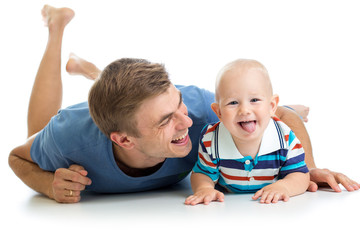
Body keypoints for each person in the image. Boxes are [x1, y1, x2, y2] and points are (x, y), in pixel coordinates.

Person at [8, 5, 359, 204]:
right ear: (123, 140)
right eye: (165, 121)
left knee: (138, 98)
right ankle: (56, 28)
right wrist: (46, 184)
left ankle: (93, 70)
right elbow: (16, 157)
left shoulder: (200, 110)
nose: (187, 123)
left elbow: (284, 117)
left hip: (141, 108)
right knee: (36, 130)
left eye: (177, 106)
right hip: (75, 124)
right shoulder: (70, 139)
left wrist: (308, 168)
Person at [185, 59, 310, 205]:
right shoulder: (210, 139)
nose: (244, 110)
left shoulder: (285, 137)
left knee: (287, 117)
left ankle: (294, 111)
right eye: (233, 102)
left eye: (254, 100)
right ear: (218, 112)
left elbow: (300, 174)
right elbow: (202, 173)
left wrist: (284, 186)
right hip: (230, 206)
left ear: (271, 106)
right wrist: (204, 188)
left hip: (267, 208)